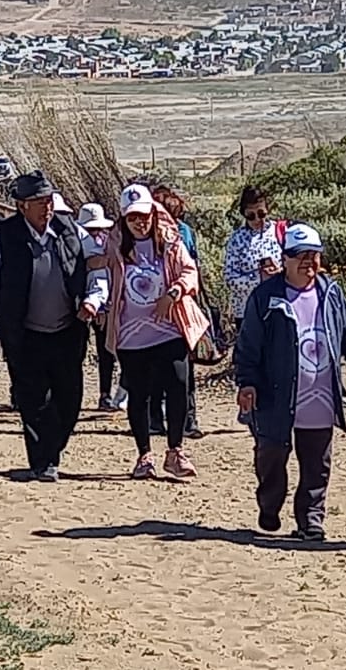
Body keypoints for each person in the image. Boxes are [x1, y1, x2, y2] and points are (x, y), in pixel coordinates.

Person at [234, 223, 346, 541]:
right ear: (285, 259)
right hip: (276, 396)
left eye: (313, 255)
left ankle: (311, 520)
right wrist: (247, 383)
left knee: (316, 463)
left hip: (320, 395)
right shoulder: (266, 297)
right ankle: (269, 506)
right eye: (300, 255)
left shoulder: (332, 293)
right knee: (271, 456)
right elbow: (248, 346)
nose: (308, 262)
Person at [0, 170, 107, 483]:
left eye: (48, 200)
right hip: (24, 333)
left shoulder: (71, 231)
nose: (46, 206)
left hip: (67, 330)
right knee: (33, 400)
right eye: (38, 201)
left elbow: (97, 266)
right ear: (22, 206)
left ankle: (52, 449)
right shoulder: (4, 238)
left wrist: (94, 299)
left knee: (70, 399)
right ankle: (43, 461)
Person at [99, 184, 208, 479]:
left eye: (144, 215)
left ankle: (175, 450)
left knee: (179, 382)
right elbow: (101, 275)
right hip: (131, 334)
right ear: (124, 219)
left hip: (169, 327)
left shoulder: (170, 242)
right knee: (139, 393)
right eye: (133, 217)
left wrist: (173, 293)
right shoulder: (114, 246)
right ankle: (144, 455)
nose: (140, 221)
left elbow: (189, 271)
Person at [149, 185, 204, 440]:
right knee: (168, 369)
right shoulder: (152, 236)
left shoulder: (181, 233)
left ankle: (181, 420)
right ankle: (174, 420)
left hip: (179, 307)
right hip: (158, 310)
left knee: (180, 370)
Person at [76, 202, 123, 412]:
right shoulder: (75, 244)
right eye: (91, 229)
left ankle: (105, 394)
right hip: (79, 304)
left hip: (105, 305)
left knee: (107, 351)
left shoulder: (108, 243)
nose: (95, 232)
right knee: (78, 351)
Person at [222, 185, 287, 328]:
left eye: (261, 213)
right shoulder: (236, 240)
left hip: (278, 309)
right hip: (247, 312)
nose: (257, 219)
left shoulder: (280, 233)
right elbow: (229, 278)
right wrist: (258, 279)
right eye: (251, 216)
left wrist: (279, 274)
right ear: (243, 214)